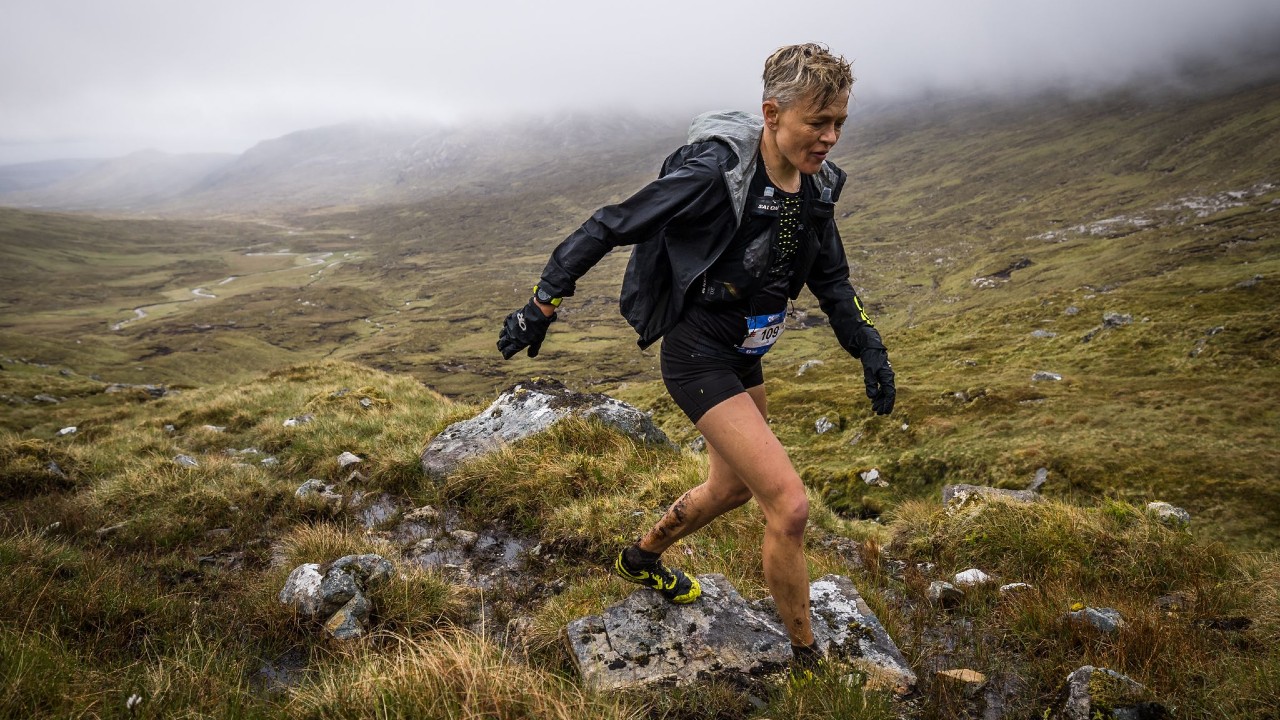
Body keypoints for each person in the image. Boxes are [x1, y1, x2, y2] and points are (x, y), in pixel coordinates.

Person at [497, 43, 895, 672]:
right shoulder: (715, 173)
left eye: (840, 121)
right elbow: (610, 224)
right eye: (817, 123)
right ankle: (807, 659)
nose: (831, 137)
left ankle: (642, 558)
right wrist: (542, 302)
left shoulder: (816, 188)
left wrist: (869, 348)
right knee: (789, 507)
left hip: (745, 352)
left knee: (731, 487)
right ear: (772, 114)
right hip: (697, 353)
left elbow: (833, 281)